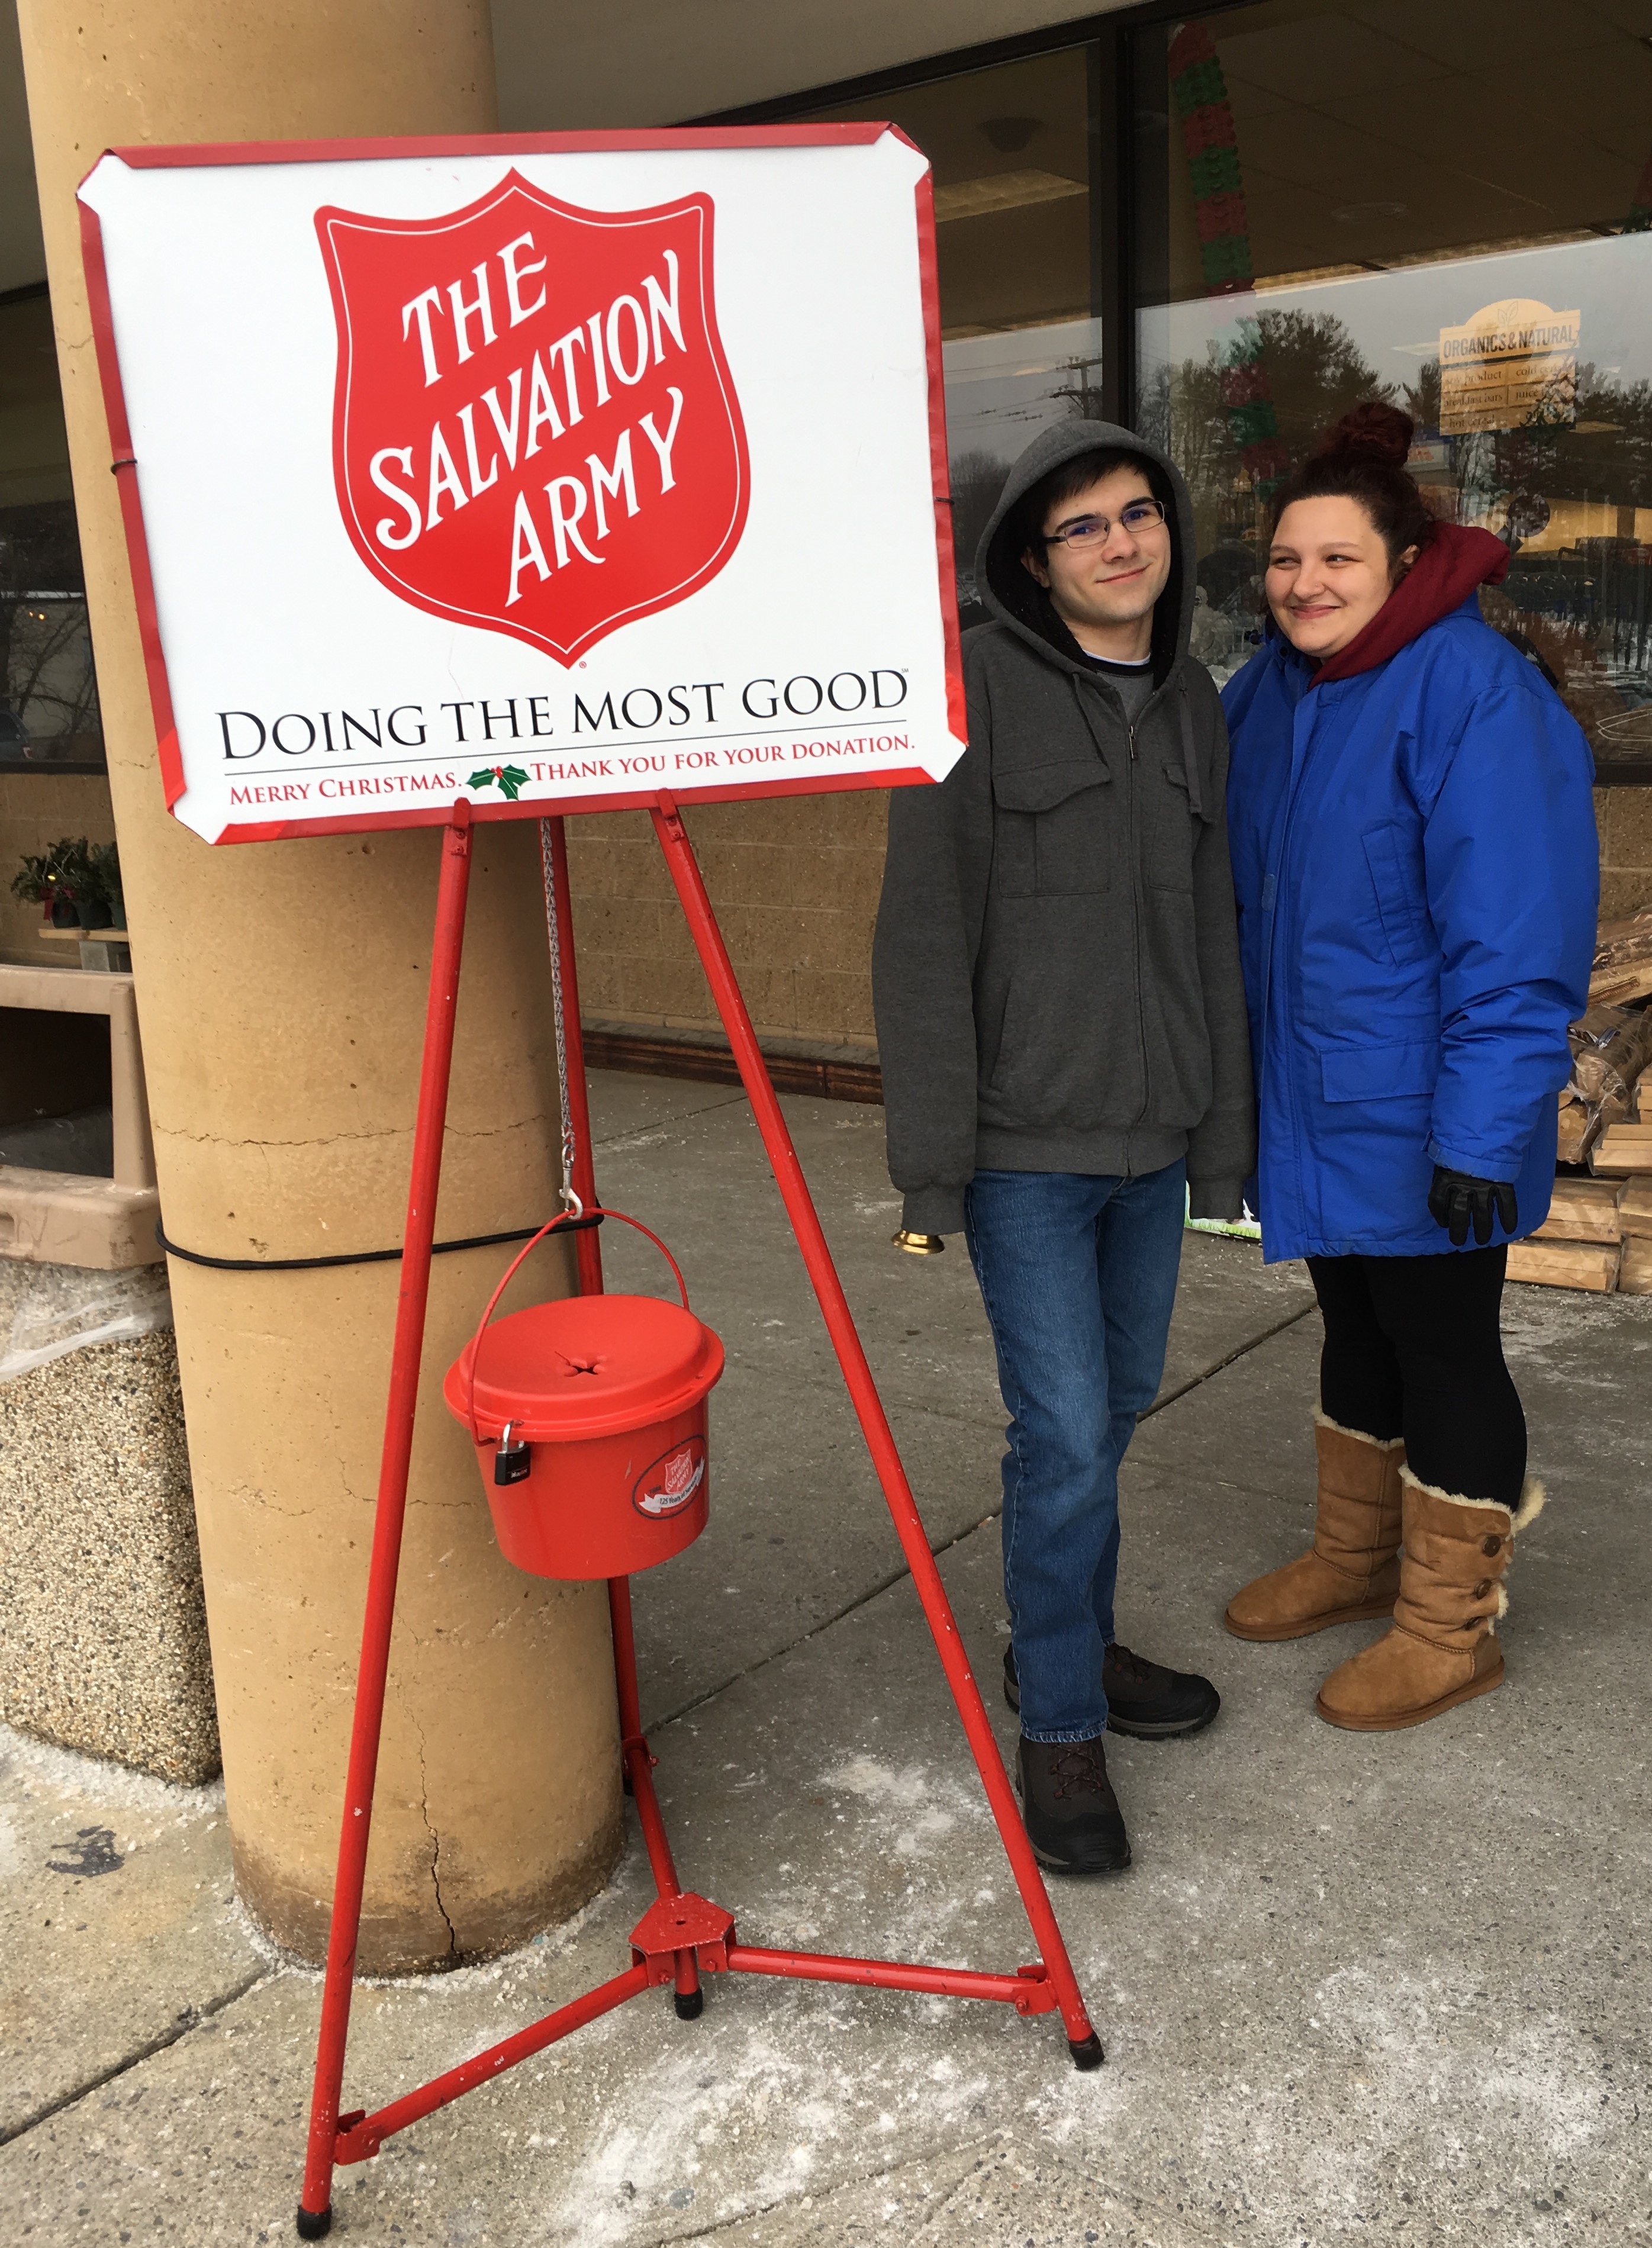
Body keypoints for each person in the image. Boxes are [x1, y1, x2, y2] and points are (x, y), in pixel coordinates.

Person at [872, 421, 1255, 1875]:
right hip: (1028, 1147)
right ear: (1036, 563)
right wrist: (934, 1164)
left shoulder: (1194, 700)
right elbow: (919, 939)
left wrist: (1220, 1148)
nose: (1118, 542)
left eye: (1136, 513)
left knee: (1119, 1410)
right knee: (1067, 1434)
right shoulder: (974, 691)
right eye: (1082, 527)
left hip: (1154, 1143)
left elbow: (1209, 930)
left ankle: (1066, 1649)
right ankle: (1060, 1730)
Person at [1220, 404, 1598, 1731]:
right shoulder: (1268, 691)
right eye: (1283, 561)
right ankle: (1352, 1557)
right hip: (1314, 1095)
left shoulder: (1469, 690)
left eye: (1335, 560)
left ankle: (1450, 1628)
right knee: (1353, 1325)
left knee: (1444, 1348)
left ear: (1401, 562)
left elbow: (1517, 930)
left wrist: (1483, 1131)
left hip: (1426, 1108)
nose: (1303, 584)